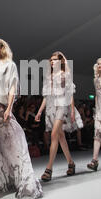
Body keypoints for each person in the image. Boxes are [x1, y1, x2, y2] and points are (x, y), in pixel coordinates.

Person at [0, 38, 43, 199]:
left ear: (1, 48)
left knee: (11, 145)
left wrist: (9, 108)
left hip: (1, 107)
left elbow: (13, 87)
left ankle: (20, 180)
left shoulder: (9, 65)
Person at [35, 51, 77, 181]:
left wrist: (72, 111)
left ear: (61, 61)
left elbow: (70, 94)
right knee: (61, 137)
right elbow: (46, 97)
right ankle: (71, 163)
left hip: (62, 106)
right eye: (51, 60)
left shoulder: (65, 75)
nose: (52, 62)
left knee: (54, 135)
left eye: (55, 60)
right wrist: (39, 111)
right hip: (51, 107)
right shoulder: (49, 76)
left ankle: (49, 169)